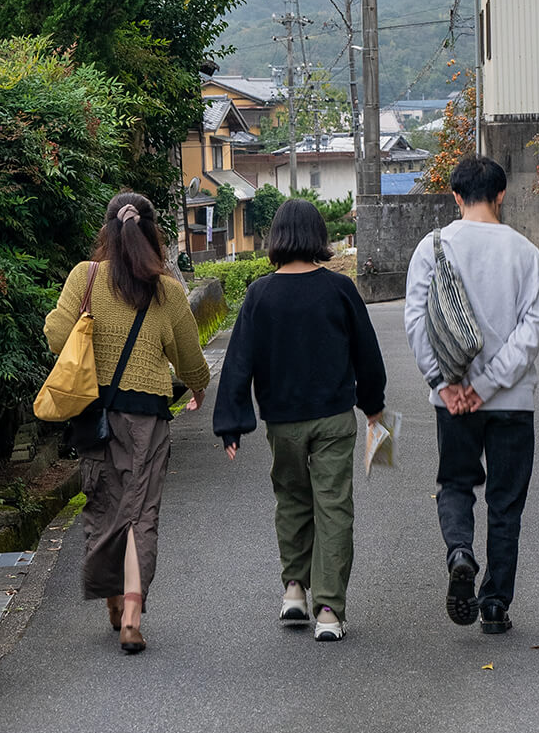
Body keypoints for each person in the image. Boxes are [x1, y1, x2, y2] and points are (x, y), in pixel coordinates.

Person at [212, 198, 386, 641]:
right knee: (333, 508)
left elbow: (238, 361)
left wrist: (231, 421)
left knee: (290, 501)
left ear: (277, 238)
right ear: (318, 238)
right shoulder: (339, 289)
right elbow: (366, 352)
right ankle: (328, 611)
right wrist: (373, 405)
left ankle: (294, 590)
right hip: (332, 418)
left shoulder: (260, 293)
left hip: (282, 422)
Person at [45, 191, 210, 655]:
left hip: (96, 416)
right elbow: (189, 356)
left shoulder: (86, 276)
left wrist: (79, 321)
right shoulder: (168, 291)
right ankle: (132, 617)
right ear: (153, 231)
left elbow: (58, 337)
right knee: (142, 514)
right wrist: (199, 389)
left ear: (107, 230)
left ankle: (114, 601)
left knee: (105, 506)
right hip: (149, 419)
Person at [404, 155, 539, 635]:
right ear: (502, 194)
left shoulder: (433, 247)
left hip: (452, 402)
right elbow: (531, 334)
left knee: (456, 485)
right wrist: (486, 387)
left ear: (456, 196)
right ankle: (493, 605)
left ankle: (460, 552)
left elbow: (417, 323)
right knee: (506, 504)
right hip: (511, 403)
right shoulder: (526, 253)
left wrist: (447, 385)